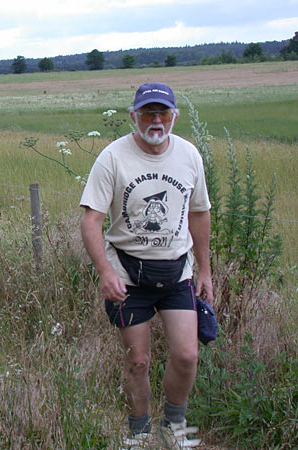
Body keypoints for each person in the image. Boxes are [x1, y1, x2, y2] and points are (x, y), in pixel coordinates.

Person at [80, 82, 213, 449]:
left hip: (177, 272)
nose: (156, 120)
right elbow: (91, 221)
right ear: (133, 116)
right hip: (128, 275)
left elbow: (200, 213)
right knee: (137, 360)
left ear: (174, 117)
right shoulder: (112, 157)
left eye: (163, 113)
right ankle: (139, 432)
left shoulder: (189, 155)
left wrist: (205, 270)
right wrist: (105, 273)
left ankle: (173, 427)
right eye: (148, 113)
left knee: (187, 355)